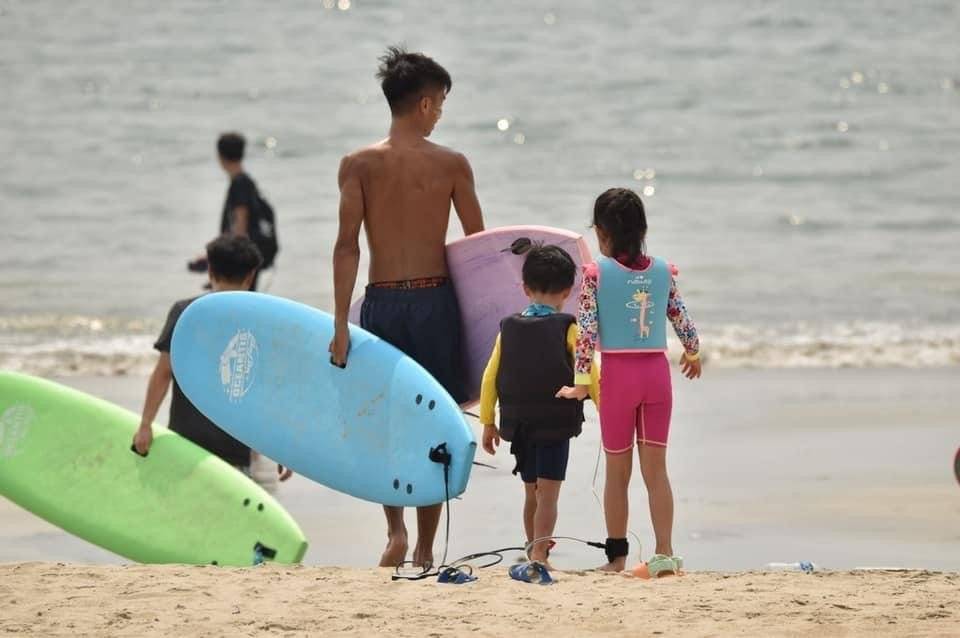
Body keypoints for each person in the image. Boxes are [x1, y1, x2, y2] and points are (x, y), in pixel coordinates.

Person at [329, 46, 485, 568]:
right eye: (439, 102)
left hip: (383, 304)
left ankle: (393, 532)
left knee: (386, 421)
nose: (440, 112)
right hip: (434, 302)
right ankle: (422, 546)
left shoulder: (358, 165)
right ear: (423, 103)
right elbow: (479, 250)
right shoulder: (451, 165)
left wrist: (339, 326)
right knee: (434, 421)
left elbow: (347, 246)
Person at [557, 187, 702, 577]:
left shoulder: (595, 275)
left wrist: (582, 383)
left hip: (619, 379)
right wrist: (692, 351)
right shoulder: (662, 271)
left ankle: (617, 557)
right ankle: (665, 554)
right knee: (657, 469)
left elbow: (585, 333)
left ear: (602, 233)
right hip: (656, 375)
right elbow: (681, 318)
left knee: (617, 473)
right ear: (642, 230)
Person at [134, 234, 292, 484]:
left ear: (210, 271)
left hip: (185, 444)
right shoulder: (260, 321)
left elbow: (163, 373)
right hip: (235, 449)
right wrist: (282, 447)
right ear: (251, 276)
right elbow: (267, 388)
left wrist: (145, 425)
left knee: (184, 516)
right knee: (228, 521)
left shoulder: (184, 312)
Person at [479, 245, 599, 572]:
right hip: (555, 425)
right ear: (567, 291)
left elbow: (490, 376)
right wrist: (607, 411)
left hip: (519, 426)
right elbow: (590, 372)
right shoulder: (567, 327)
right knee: (548, 495)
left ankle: (533, 547)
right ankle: (539, 556)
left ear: (525, 288)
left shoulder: (509, 327)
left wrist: (488, 421)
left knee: (531, 493)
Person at [189, 133, 279, 290]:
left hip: (243, 259)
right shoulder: (246, 181)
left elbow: (241, 224)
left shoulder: (239, 184)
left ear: (220, 156)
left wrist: (228, 260)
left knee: (238, 302)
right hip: (250, 255)